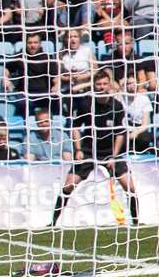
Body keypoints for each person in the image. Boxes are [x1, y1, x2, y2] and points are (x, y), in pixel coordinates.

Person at [49, 72, 137, 227]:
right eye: (98, 84)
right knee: (68, 186)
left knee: (129, 186)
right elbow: (75, 127)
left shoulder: (116, 106)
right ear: (94, 86)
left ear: (110, 85)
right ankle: (52, 223)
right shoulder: (86, 104)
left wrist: (114, 156)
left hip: (111, 152)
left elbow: (121, 133)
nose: (101, 87)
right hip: (89, 150)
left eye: (104, 84)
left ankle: (136, 223)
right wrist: (78, 149)